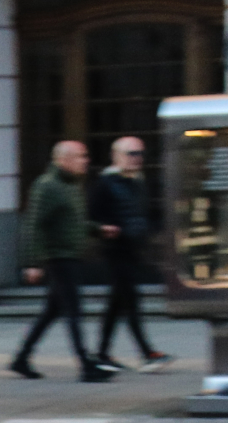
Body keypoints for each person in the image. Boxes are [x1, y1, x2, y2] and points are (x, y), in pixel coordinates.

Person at [13, 140, 113, 382]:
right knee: (73, 312)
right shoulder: (47, 186)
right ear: (63, 160)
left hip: (71, 256)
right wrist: (32, 262)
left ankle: (21, 358)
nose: (85, 161)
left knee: (52, 311)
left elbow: (73, 223)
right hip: (59, 258)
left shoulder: (71, 186)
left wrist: (98, 230)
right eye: (80, 156)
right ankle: (86, 365)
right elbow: (33, 225)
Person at [87, 136, 174, 373]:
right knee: (131, 302)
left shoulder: (138, 182)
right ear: (116, 156)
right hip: (115, 251)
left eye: (140, 154)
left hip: (134, 250)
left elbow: (142, 214)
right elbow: (92, 218)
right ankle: (147, 353)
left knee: (117, 304)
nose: (137, 159)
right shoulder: (105, 184)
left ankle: (102, 354)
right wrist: (104, 230)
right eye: (131, 154)